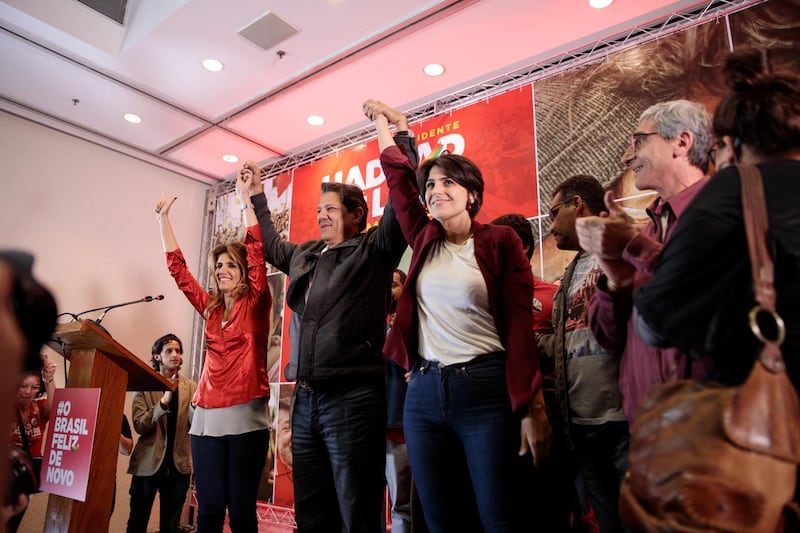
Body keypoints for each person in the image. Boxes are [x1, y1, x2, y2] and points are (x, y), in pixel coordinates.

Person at [365, 99, 551, 532]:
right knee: (442, 520)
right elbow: (398, 180)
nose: (435, 191)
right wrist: (385, 125)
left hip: (485, 391)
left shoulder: (501, 241)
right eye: (430, 185)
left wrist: (531, 408)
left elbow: (520, 326)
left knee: (498, 516)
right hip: (425, 396)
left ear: (472, 194)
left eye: (448, 182)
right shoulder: (425, 236)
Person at [239, 102, 417, 533]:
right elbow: (271, 243)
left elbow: (401, 197)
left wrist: (400, 136)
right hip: (306, 401)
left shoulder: (374, 250)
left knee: (357, 509)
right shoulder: (305, 256)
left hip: (353, 399)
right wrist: (257, 194)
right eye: (319, 209)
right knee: (312, 509)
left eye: (331, 209)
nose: (321, 215)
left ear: (357, 215)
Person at [634, 48, 800, 388]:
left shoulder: (733, 190)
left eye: (716, 151)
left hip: (767, 406)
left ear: (730, 145)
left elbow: (657, 321)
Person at [575, 99, 714, 424]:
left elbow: (705, 303)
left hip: (710, 429)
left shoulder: (724, 209)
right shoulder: (646, 228)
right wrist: (614, 273)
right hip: (648, 430)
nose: (626, 157)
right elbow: (607, 337)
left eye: (638, 142)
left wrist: (634, 246)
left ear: (681, 142)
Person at [154, 173, 271, 533]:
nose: (221, 270)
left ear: (244, 272)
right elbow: (179, 272)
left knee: (241, 513)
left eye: (229, 265)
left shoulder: (257, 303)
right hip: (205, 419)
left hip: (246, 418)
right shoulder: (210, 309)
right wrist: (163, 220)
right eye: (218, 265)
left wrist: (244, 200)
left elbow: (255, 250)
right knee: (208, 512)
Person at [536, 177, 629, 533]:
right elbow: (565, 342)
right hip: (584, 425)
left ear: (577, 205)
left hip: (627, 419)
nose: (551, 225)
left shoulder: (623, 249)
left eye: (554, 213)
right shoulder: (571, 271)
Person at [126, 334, 198, 533]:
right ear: (157, 356)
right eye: (169, 350)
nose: (175, 354)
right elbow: (140, 425)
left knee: (170, 527)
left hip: (178, 467)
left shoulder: (191, 387)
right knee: (136, 524)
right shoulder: (144, 384)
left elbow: (196, 425)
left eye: (178, 351)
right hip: (148, 465)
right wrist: (163, 403)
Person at [7, 354, 56, 532]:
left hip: (25, 481)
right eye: (23, 386)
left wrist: (49, 378)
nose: (28, 392)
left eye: (34, 387)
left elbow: (54, 409)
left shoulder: (39, 408)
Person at [385, 268, 412, 533]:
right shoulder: (370, 320)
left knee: (402, 507)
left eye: (392, 284)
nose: (386, 290)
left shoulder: (412, 320)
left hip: (400, 430)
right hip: (367, 429)